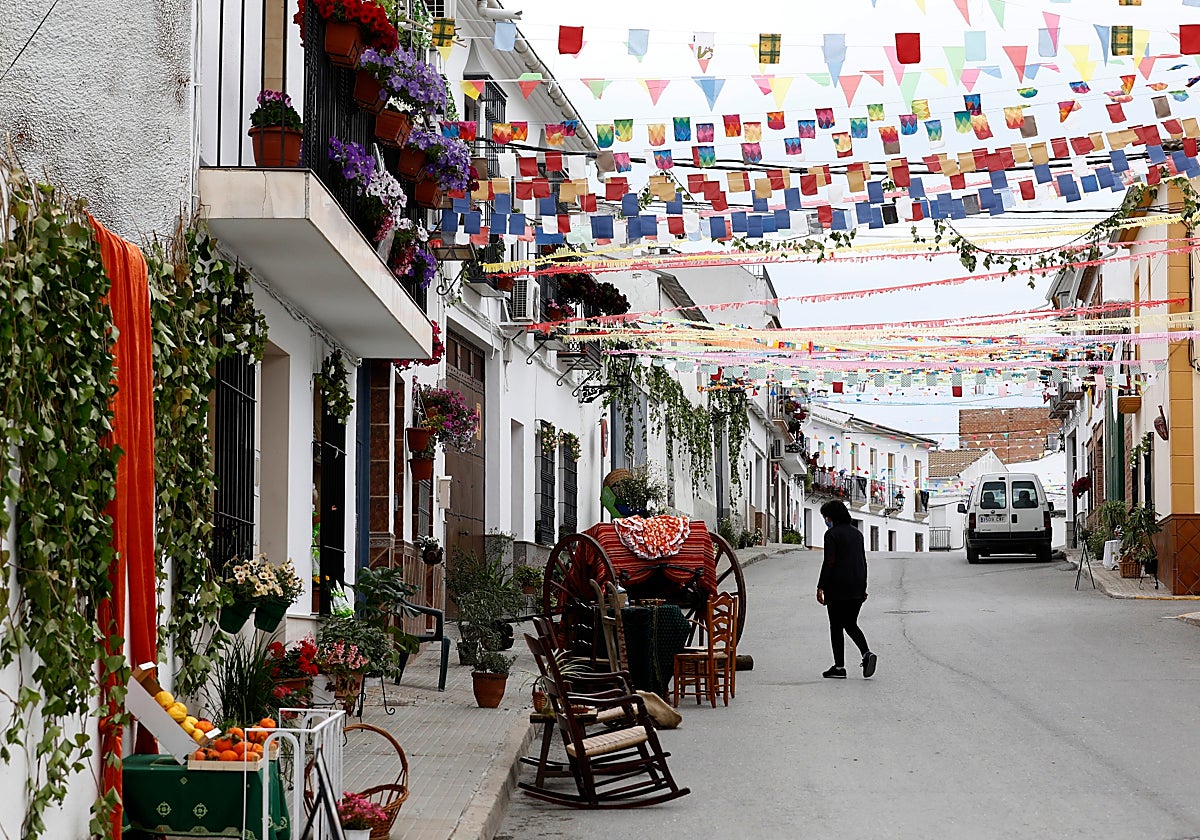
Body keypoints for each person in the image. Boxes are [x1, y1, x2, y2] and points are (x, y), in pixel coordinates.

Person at [816, 499, 877, 679]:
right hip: (857, 586)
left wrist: (821, 586)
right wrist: (863, 587)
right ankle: (866, 653)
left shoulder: (831, 535)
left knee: (836, 625)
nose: (825, 520)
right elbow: (862, 562)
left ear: (831, 517)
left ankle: (839, 667)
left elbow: (830, 562)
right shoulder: (857, 534)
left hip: (837, 587)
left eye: (826, 517)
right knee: (850, 623)